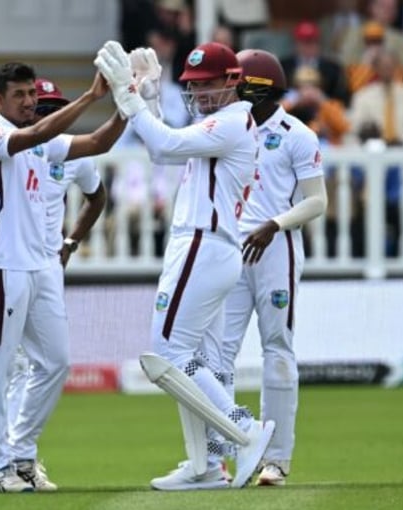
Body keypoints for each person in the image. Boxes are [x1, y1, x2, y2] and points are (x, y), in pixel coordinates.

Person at [94, 40, 275, 490]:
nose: (199, 93)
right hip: (206, 247)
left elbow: (167, 143)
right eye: (194, 85)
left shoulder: (232, 123)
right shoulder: (223, 122)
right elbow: (163, 151)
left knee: (166, 355)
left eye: (209, 84)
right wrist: (151, 99)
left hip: (203, 244)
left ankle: (243, 430)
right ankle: (207, 464)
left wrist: (128, 95)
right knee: (191, 360)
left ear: (234, 81)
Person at [0, 77, 109, 489]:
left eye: (36, 97)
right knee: (1, 367)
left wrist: (132, 102)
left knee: (55, 361)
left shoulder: (43, 143)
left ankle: (22, 453)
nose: (33, 104)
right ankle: (0, 468)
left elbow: (99, 144)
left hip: (42, 266)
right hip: (2, 266)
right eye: (24, 97)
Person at [219, 48, 327, 486]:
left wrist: (274, 224)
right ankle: (222, 457)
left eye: (235, 84)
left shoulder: (296, 135)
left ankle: (276, 460)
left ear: (255, 88)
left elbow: (318, 201)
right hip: (228, 251)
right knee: (217, 356)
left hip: (275, 251)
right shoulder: (227, 130)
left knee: (277, 349)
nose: (229, 92)